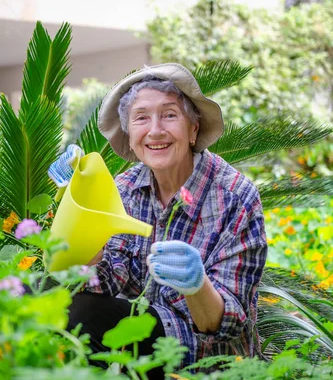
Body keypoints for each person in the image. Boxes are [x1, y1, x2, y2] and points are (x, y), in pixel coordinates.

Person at [48, 63, 268, 375]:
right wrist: (78, 209)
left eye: (169, 114)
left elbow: (225, 326)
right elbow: (107, 280)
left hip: (211, 359)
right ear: (130, 134)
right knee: (47, 298)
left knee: (84, 316)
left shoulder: (234, 197)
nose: (155, 130)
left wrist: (197, 285)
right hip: (140, 338)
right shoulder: (124, 191)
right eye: (141, 118)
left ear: (193, 129)